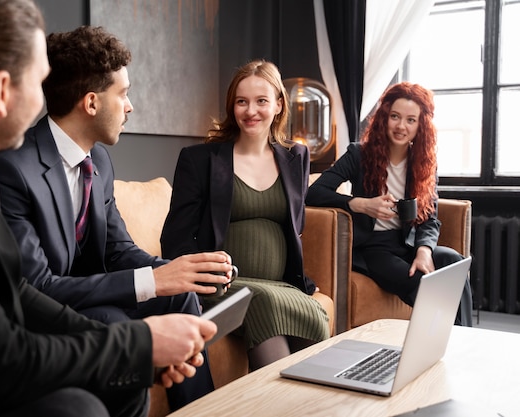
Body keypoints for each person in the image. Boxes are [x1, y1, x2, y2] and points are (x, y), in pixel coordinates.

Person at [0, 2, 218, 417]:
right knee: (77, 408)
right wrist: (135, 344)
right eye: (40, 80)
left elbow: (15, 288)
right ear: (1, 90)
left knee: (118, 383)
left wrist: (138, 350)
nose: (48, 96)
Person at [0, 25, 230, 410]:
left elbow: (118, 251)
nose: (130, 106)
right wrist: (151, 279)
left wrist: (179, 271)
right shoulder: (13, 168)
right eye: (124, 94)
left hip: (88, 299)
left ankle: (198, 409)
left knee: (179, 296)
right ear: (91, 103)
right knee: (114, 320)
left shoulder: (97, 160)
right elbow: (35, 287)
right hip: (46, 312)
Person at [160, 59, 331, 372]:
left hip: (278, 286)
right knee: (263, 301)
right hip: (221, 286)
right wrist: (200, 278)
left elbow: (295, 227)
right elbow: (175, 240)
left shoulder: (296, 156)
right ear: (232, 106)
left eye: (261, 101)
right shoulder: (199, 160)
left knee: (309, 312)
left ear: (279, 104)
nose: (251, 111)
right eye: (242, 101)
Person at [306, 81, 472, 326]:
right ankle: (437, 347)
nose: (401, 126)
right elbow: (314, 193)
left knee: (455, 264)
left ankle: (463, 342)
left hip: (407, 243)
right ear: (385, 117)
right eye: (395, 116)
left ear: (421, 125)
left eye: (410, 120)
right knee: (422, 283)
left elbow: (429, 218)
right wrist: (361, 204)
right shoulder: (358, 155)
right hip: (372, 248)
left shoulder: (424, 164)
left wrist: (424, 251)